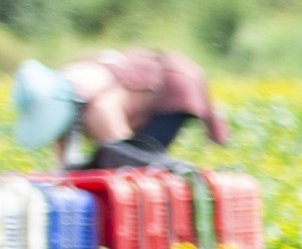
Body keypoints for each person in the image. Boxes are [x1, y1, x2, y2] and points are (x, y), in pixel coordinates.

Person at [13, 47, 228, 169]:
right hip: (159, 81)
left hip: (175, 88)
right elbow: (62, 167)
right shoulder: (68, 90)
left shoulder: (98, 108)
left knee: (144, 166)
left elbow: (126, 161)